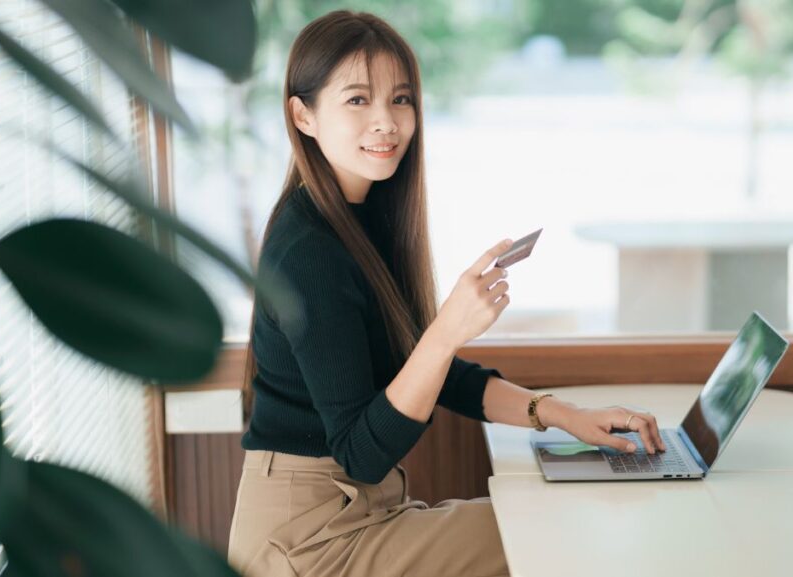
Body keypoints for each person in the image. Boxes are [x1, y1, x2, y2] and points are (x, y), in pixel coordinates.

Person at [227, 10, 666, 577]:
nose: (386, 122)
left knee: (551, 518)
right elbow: (362, 453)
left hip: (355, 514)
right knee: (551, 528)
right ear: (303, 115)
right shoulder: (307, 249)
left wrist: (562, 414)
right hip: (307, 543)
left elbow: (436, 376)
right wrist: (446, 330)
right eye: (358, 100)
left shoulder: (363, 221)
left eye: (401, 99)